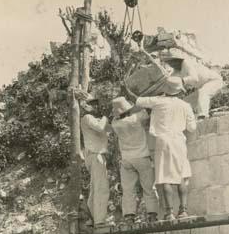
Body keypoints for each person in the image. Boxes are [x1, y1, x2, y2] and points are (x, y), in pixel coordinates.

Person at [127, 76, 197, 221]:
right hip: (178, 141)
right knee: (182, 175)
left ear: (166, 89)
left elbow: (137, 100)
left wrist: (125, 88)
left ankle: (169, 213)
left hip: (163, 141)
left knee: (165, 177)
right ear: (179, 91)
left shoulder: (157, 101)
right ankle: (183, 210)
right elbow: (192, 127)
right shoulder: (185, 106)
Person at [110, 96, 159, 226]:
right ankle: (152, 215)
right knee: (148, 187)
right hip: (142, 156)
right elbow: (149, 107)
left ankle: (129, 217)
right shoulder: (137, 118)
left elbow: (116, 118)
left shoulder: (115, 124)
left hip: (127, 159)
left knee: (128, 190)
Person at [161, 48, 224, 119]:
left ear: (178, 60)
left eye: (172, 62)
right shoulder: (176, 71)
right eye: (169, 63)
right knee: (185, 103)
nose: (171, 64)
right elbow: (172, 86)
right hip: (203, 85)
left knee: (203, 92)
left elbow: (194, 78)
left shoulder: (186, 63)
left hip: (215, 81)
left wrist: (182, 81)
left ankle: (203, 116)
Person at [80, 96, 110, 226]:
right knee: (101, 188)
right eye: (92, 104)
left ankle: (92, 217)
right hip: (96, 155)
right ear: (85, 106)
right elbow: (100, 127)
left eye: (96, 103)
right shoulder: (87, 118)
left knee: (95, 187)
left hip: (95, 155)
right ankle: (99, 220)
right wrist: (105, 116)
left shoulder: (93, 119)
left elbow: (108, 129)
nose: (96, 106)